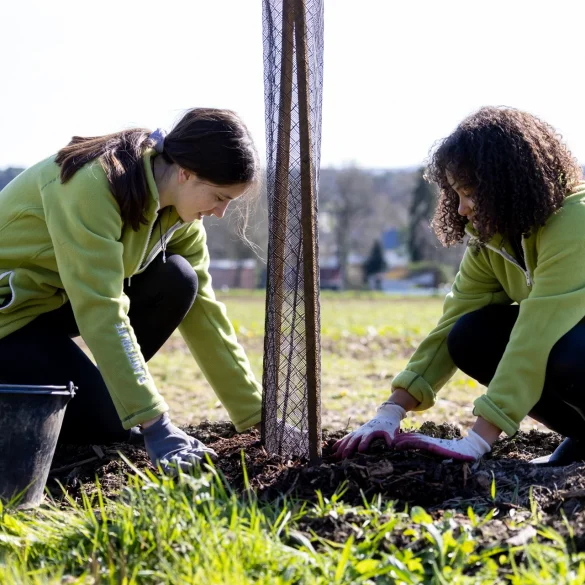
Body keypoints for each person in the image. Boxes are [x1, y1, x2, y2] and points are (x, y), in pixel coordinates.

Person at [0, 108, 263, 473]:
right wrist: (155, 423)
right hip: (9, 321)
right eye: (219, 197)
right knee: (112, 421)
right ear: (186, 173)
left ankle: (102, 396)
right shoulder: (92, 185)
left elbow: (205, 312)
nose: (220, 212)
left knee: (178, 279)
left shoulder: (178, 216)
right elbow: (102, 308)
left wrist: (256, 417)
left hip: (49, 308)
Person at [333, 106, 585, 466]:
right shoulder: (491, 238)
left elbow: (536, 335)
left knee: (565, 346)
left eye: (470, 193)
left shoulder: (576, 220)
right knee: (471, 335)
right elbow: (452, 322)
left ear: (506, 183)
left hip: (568, 342)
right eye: (456, 194)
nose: (462, 209)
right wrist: (390, 412)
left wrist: (476, 442)